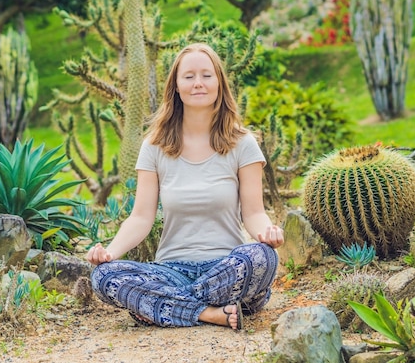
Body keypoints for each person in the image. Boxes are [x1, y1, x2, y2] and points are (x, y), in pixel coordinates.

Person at [86, 43, 284, 330]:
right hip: (173, 271)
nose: (198, 83)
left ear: (219, 83)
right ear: (176, 87)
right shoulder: (154, 146)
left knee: (263, 257)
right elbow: (141, 217)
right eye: (189, 76)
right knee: (104, 276)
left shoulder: (242, 143)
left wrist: (268, 233)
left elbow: (253, 213)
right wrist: (110, 253)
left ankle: (161, 306)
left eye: (206, 75)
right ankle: (210, 313)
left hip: (227, 268)